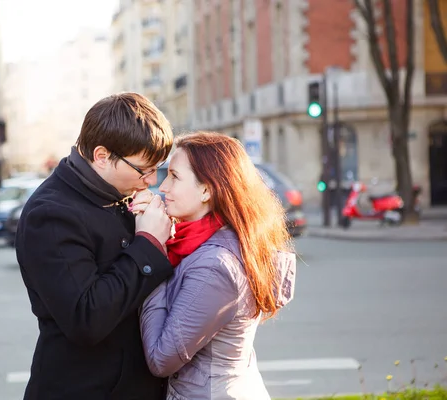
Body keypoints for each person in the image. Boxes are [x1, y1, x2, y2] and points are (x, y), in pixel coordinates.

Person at [15, 92, 175, 400]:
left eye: (159, 167)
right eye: (144, 169)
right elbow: (86, 319)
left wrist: (160, 223)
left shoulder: (116, 193)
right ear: (101, 156)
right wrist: (148, 244)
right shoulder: (51, 214)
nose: (152, 180)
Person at [138, 132, 297, 400]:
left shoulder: (214, 266)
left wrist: (152, 253)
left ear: (207, 190)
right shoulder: (207, 239)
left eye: (174, 177)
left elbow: (161, 359)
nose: (163, 187)